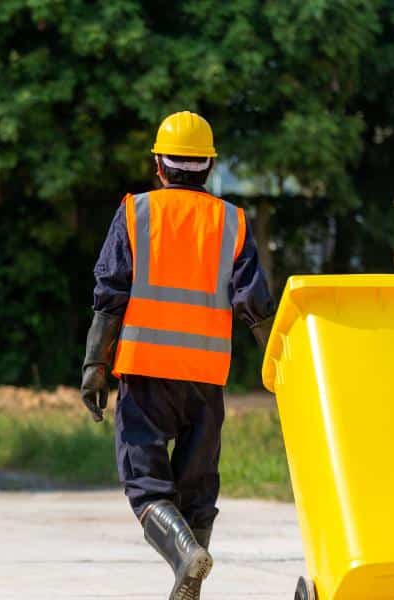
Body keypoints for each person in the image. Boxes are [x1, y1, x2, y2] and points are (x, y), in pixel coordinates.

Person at [80, 111, 275, 600]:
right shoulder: (231, 222)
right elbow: (254, 305)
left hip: (146, 373)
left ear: (159, 166)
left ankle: (185, 558)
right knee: (198, 487)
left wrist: (94, 367)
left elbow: (110, 296)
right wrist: (280, 367)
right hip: (205, 378)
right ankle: (190, 579)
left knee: (146, 485)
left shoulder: (135, 212)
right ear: (207, 167)